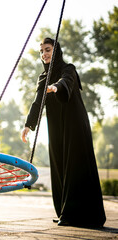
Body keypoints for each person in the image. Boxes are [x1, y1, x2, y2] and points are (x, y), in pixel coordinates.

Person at [21, 38, 106, 228]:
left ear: (56, 50)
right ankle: (63, 210)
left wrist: (56, 87)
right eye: (41, 51)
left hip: (74, 123)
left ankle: (73, 214)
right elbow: (37, 103)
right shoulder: (43, 78)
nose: (44, 54)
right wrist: (28, 125)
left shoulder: (69, 69)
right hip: (56, 126)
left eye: (48, 49)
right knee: (59, 164)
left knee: (74, 165)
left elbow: (65, 82)